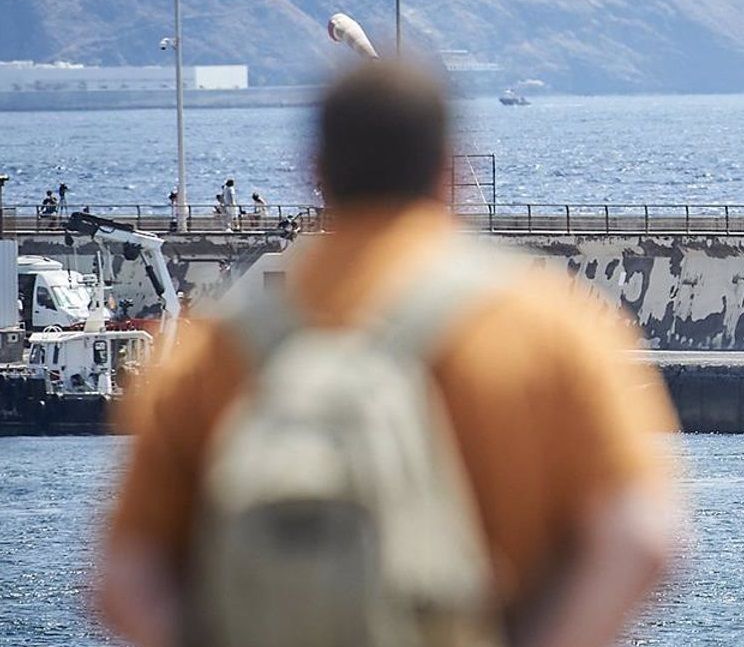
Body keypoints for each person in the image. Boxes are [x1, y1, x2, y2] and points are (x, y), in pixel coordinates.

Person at [95, 61, 685, 647]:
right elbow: (642, 542)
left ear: (316, 172)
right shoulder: (550, 329)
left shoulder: (206, 357)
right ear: (450, 171)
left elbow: (123, 582)